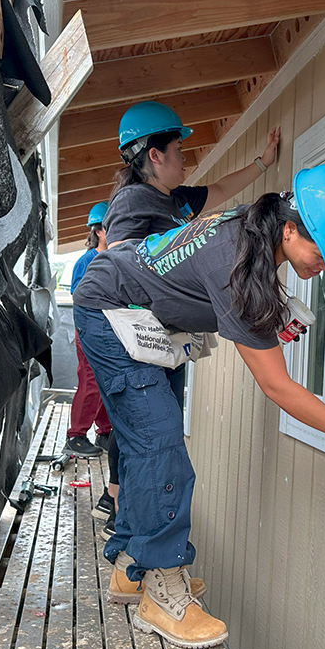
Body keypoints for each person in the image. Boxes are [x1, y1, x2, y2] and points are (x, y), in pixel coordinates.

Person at [73, 163, 325, 649]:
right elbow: (278, 387)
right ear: (290, 230)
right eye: (323, 254)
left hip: (140, 308)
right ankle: (161, 587)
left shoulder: (255, 229)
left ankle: (131, 566)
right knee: (160, 440)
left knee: (147, 436)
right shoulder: (235, 265)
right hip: (109, 308)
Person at [88, 99, 280, 542]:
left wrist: (262, 163)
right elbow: (124, 264)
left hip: (165, 341)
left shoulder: (174, 200)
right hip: (139, 340)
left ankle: (130, 543)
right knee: (153, 439)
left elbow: (218, 190)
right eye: (177, 148)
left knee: (160, 435)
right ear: (154, 155)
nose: (185, 157)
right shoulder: (133, 200)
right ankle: (131, 533)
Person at [63, 203, 112, 461]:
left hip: (107, 330)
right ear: (100, 231)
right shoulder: (87, 261)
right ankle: (75, 437)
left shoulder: (112, 258)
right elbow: (79, 297)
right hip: (90, 329)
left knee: (104, 380)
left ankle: (104, 432)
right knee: (91, 380)